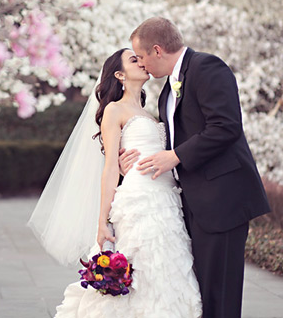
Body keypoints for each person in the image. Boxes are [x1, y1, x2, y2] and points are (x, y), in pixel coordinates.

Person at [28, 48, 202, 318]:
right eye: (135, 60)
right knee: (142, 271)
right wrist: (102, 221)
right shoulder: (113, 109)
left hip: (167, 201)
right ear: (120, 75)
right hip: (139, 202)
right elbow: (110, 166)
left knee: (166, 270)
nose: (142, 62)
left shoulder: (150, 112)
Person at [122, 17, 271, 318]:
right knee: (201, 294)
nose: (141, 65)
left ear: (157, 50)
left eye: (141, 57)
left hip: (222, 200)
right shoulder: (166, 90)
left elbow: (226, 127)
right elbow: (175, 137)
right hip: (192, 202)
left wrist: (175, 156)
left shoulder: (207, 67)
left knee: (221, 295)